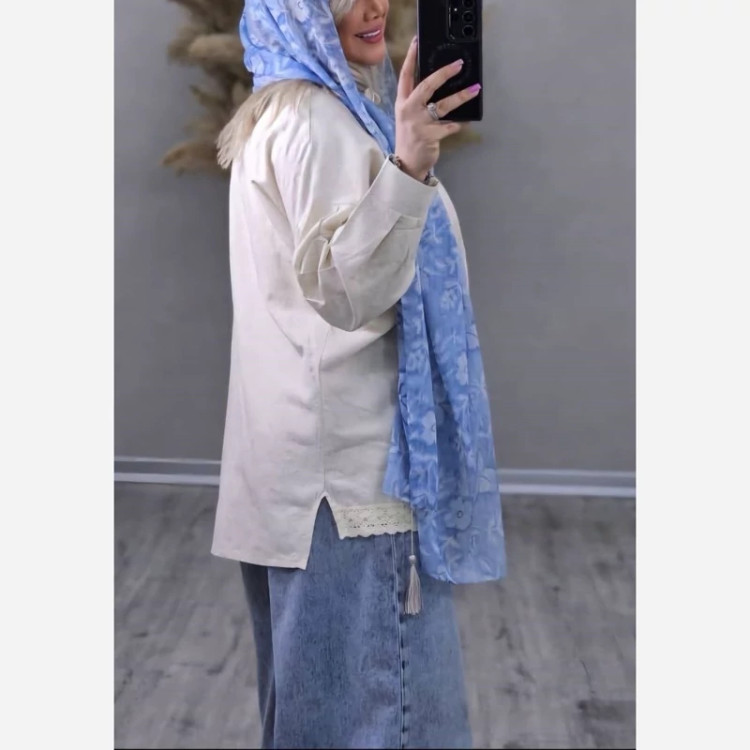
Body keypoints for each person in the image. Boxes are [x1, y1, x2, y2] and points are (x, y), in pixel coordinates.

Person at [212, 1, 501, 747]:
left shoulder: (287, 110)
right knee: (388, 723)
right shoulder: (315, 123)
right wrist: (410, 165)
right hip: (350, 479)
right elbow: (347, 291)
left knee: (317, 722)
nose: (371, 8)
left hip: (302, 478)